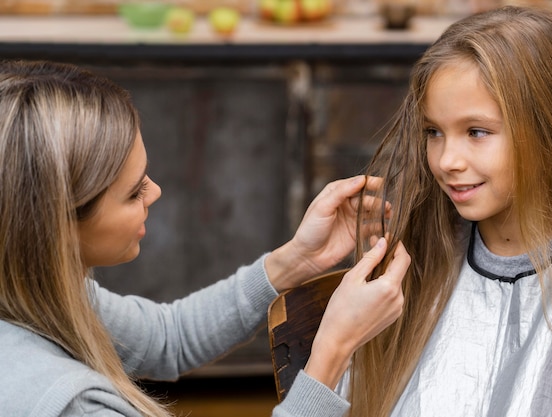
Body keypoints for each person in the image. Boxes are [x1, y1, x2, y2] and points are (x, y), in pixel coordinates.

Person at [0, 59, 411, 417]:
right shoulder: (70, 406)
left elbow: (168, 338)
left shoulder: (29, 293)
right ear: (55, 226)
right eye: (132, 192)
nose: (155, 192)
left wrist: (296, 261)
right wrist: (334, 348)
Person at [290, 5, 552, 417]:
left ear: (550, 128)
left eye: (477, 132)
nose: (447, 160)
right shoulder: (411, 278)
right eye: (433, 132)